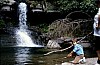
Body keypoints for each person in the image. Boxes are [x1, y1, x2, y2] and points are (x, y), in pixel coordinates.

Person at [93, 0, 100, 65]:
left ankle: (99, 61)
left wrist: (98, 25)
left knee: (97, 47)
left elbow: (99, 16)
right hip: (98, 33)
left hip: (98, 33)